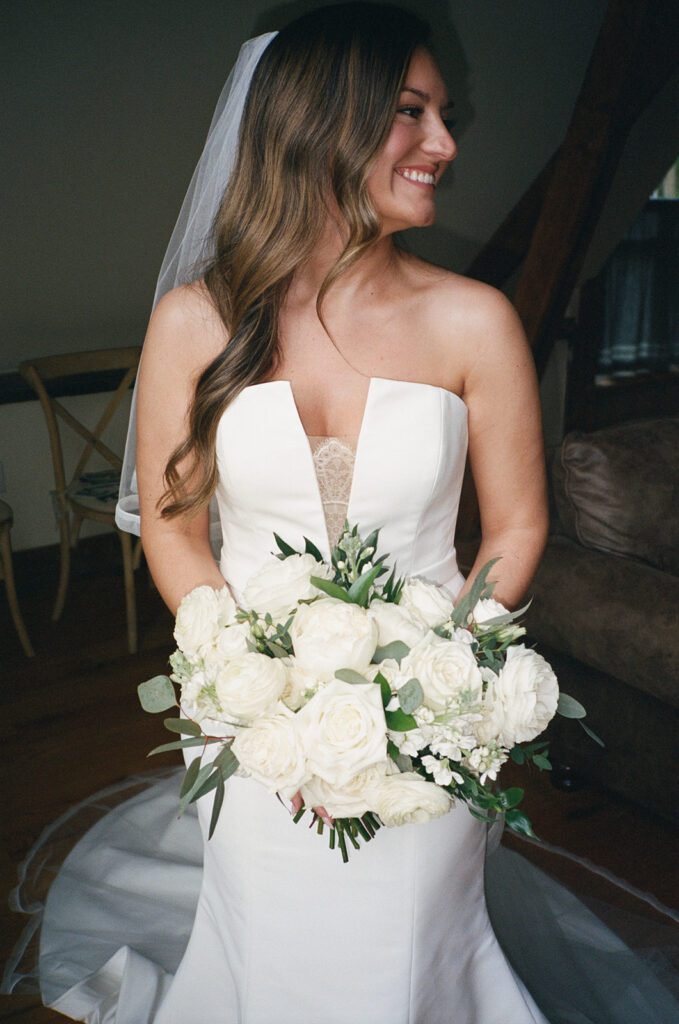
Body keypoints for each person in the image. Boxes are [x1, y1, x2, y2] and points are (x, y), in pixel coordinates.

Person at [4, 5, 678, 1022]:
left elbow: (516, 531)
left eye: (444, 116)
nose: (446, 145)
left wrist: (444, 698)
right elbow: (179, 534)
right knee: (274, 930)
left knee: (407, 940)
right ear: (317, 124)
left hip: (436, 715)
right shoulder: (195, 322)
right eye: (411, 113)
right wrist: (254, 688)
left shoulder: (475, 320)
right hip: (251, 719)